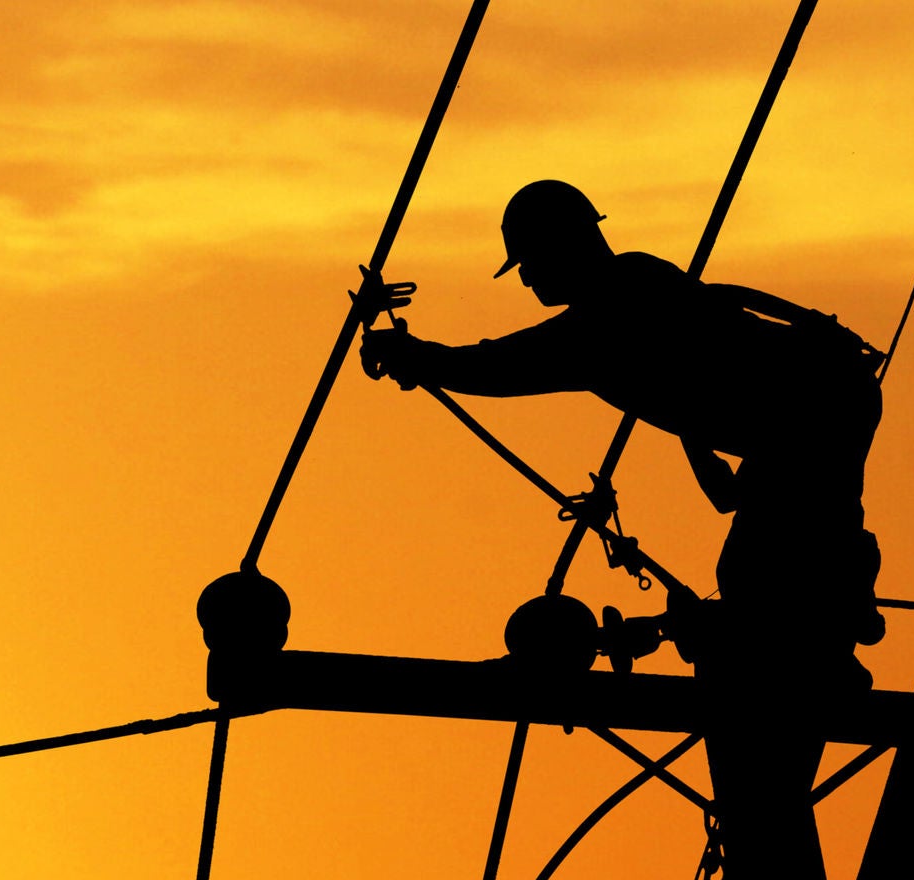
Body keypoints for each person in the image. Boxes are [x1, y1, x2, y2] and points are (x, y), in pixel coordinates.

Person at [359, 179, 885, 690]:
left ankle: (817, 658)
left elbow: (504, 365)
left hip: (814, 411)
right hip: (817, 410)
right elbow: (700, 396)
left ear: (563, 245)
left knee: (757, 573)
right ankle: (829, 633)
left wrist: (418, 357)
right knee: (778, 555)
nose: (526, 280)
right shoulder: (637, 287)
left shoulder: (609, 313)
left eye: (529, 262)